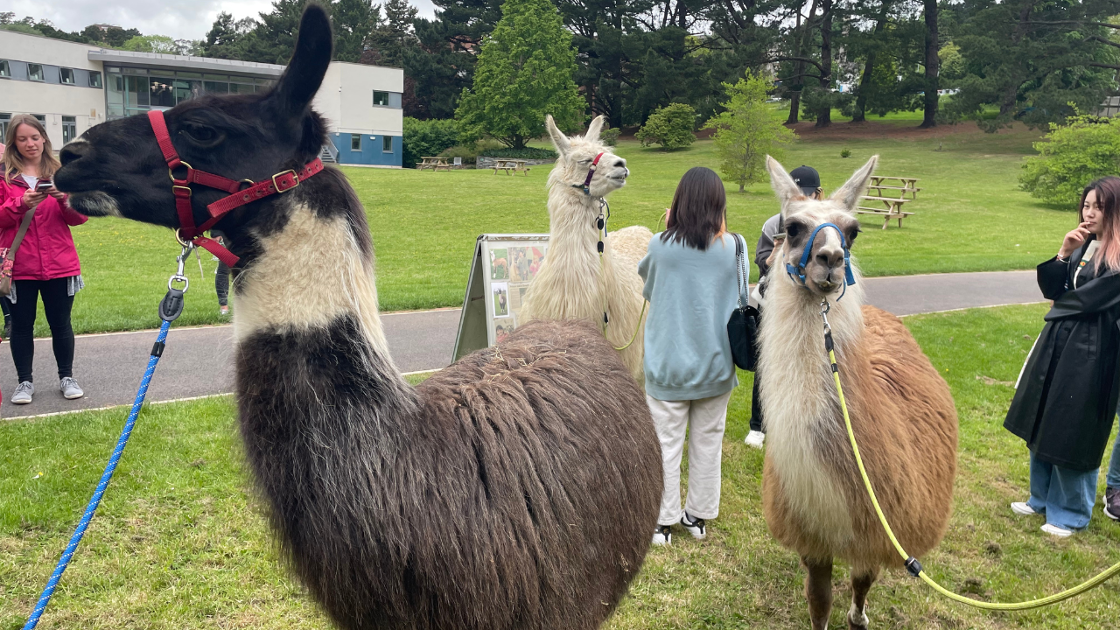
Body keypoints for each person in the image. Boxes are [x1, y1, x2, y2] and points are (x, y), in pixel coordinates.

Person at [1004, 176, 1120, 537]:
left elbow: (1087, 301)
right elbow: (1052, 290)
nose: (1089, 213)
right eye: (1086, 205)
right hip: (1059, 341)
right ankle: (1041, 497)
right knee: (1045, 414)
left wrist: (1056, 310)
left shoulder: (1117, 257)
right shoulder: (1085, 245)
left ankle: (1070, 512)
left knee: (1075, 424)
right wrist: (1064, 252)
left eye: (1098, 207)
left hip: (1092, 349)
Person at [639, 166, 744, 545]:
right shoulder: (733, 247)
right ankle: (697, 517)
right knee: (708, 442)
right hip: (716, 363)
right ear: (719, 205)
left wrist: (668, 229)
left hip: (668, 365)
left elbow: (648, 287)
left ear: (679, 201)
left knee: (665, 444)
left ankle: (662, 522)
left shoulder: (659, 246)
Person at [0, 114, 88, 404]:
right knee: (21, 326)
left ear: (44, 138)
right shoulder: (4, 175)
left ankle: (67, 377)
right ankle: (24, 382)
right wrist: (19, 203)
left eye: (35, 137)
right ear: (13, 141)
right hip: (19, 266)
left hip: (60, 263)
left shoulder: (62, 173)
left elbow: (79, 218)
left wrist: (63, 196)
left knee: (61, 323)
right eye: (22, 139)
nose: (30, 144)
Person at [745, 165, 823, 449]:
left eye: (808, 195)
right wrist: (782, 249)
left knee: (812, 365)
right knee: (770, 362)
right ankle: (758, 426)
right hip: (775, 303)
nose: (802, 201)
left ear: (818, 194)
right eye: (796, 196)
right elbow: (762, 264)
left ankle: (803, 424)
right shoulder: (773, 224)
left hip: (813, 306)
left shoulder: (827, 228)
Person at [211, 229, 231, 316]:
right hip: (227, 233)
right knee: (223, 269)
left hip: (247, 229)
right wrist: (216, 233)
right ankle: (224, 306)